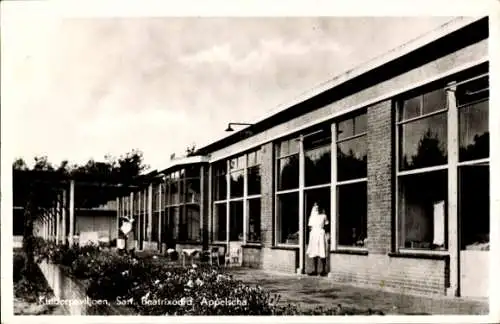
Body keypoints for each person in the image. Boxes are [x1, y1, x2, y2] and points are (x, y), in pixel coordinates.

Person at [306, 203, 329, 276]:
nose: (316, 207)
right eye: (315, 205)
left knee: (321, 251)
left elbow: (326, 225)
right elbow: (310, 227)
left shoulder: (323, 216)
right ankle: (315, 270)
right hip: (314, 234)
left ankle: (323, 270)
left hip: (320, 234)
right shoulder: (312, 216)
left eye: (317, 206)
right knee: (314, 251)